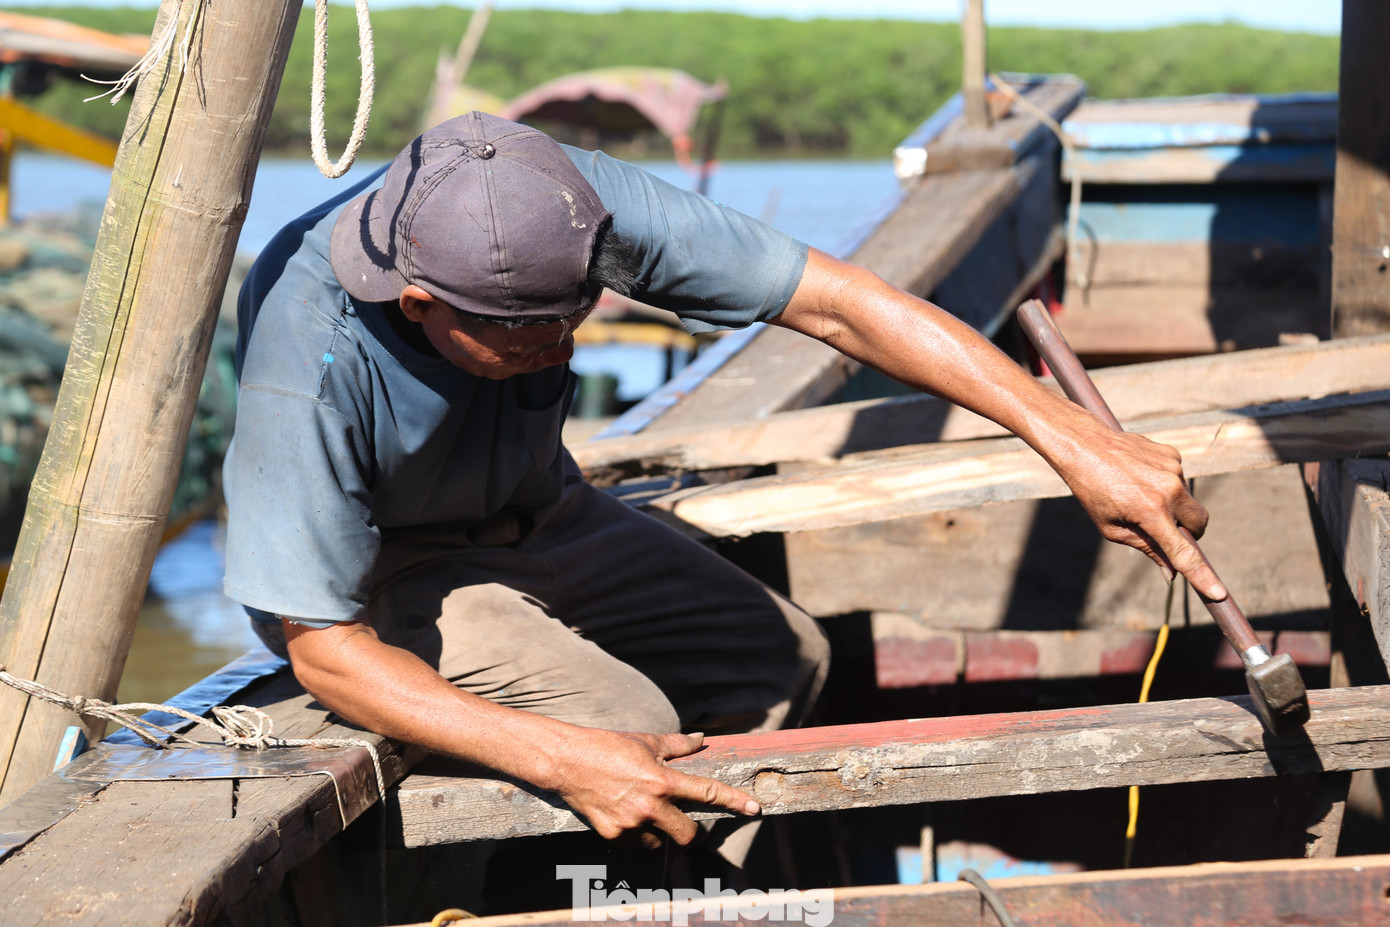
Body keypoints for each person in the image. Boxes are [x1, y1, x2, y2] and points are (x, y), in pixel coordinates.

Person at [223, 112, 1222, 857]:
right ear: (420, 305)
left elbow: (839, 303)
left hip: (545, 510)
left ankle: (700, 888)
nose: (561, 351)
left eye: (576, 316)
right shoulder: (306, 352)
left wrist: (1072, 438)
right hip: (391, 573)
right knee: (620, 724)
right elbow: (324, 651)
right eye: (525, 336)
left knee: (779, 658)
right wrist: (562, 757)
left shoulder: (559, 197)